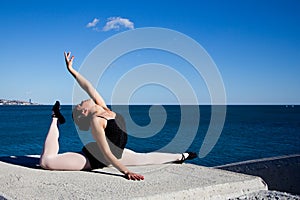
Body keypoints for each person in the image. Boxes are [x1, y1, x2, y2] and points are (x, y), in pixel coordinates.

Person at [39, 52, 197, 181]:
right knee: (46, 162)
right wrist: (125, 171)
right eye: (80, 104)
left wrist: (71, 70)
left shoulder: (103, 108)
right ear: (84, 112)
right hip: (95, 159)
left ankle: (181, 156)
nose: (82, 101)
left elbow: (88, 87)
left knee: (146, 157)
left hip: (118, 154)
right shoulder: (96, 120)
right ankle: (55, 117)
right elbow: (106, 153)